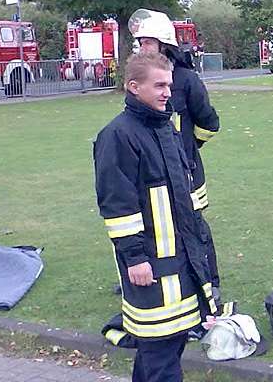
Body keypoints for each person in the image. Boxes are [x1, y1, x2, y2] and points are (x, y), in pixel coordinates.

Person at [93, 52, 218, 381]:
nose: (167, 92)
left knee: (165, 349)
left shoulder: (166, 127)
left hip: (180, 261)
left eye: (169, 85)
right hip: (150, 266)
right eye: (159, 85)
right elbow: (118, 204)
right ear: (133, 87)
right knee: (159, 354)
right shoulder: (118, 136)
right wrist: (135, 257)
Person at [129, 9, 222, 296]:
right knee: (154, 226)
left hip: (187, 172)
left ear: (163, 42)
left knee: (195, 226)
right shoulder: (140, 80)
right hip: (152, 172)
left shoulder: (186, 79)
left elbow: (209, 123)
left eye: (148, 42)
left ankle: (210, 282)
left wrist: (188, 149)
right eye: (140, 42)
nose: (142, 47)